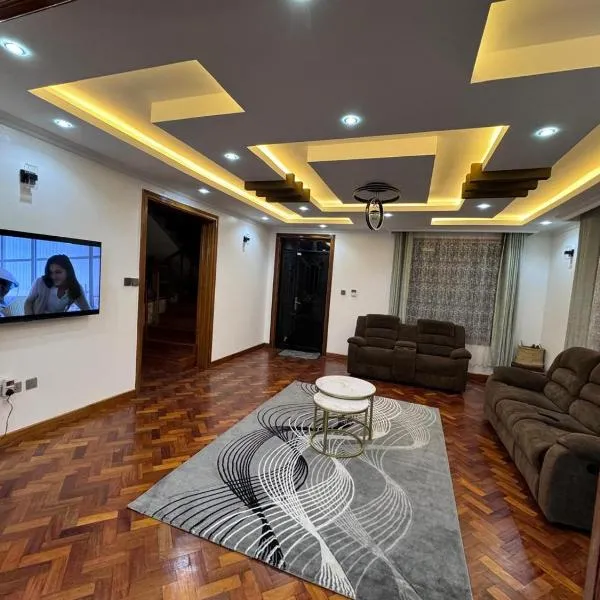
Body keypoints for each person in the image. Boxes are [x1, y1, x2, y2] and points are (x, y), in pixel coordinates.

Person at [24, 254, 91, 315]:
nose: (53, 277)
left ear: (68, 272)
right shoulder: (40, 282)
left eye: (58, 272)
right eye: (51, 272)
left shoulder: (75, 287)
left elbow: (87, 309)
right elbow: (28, 302)